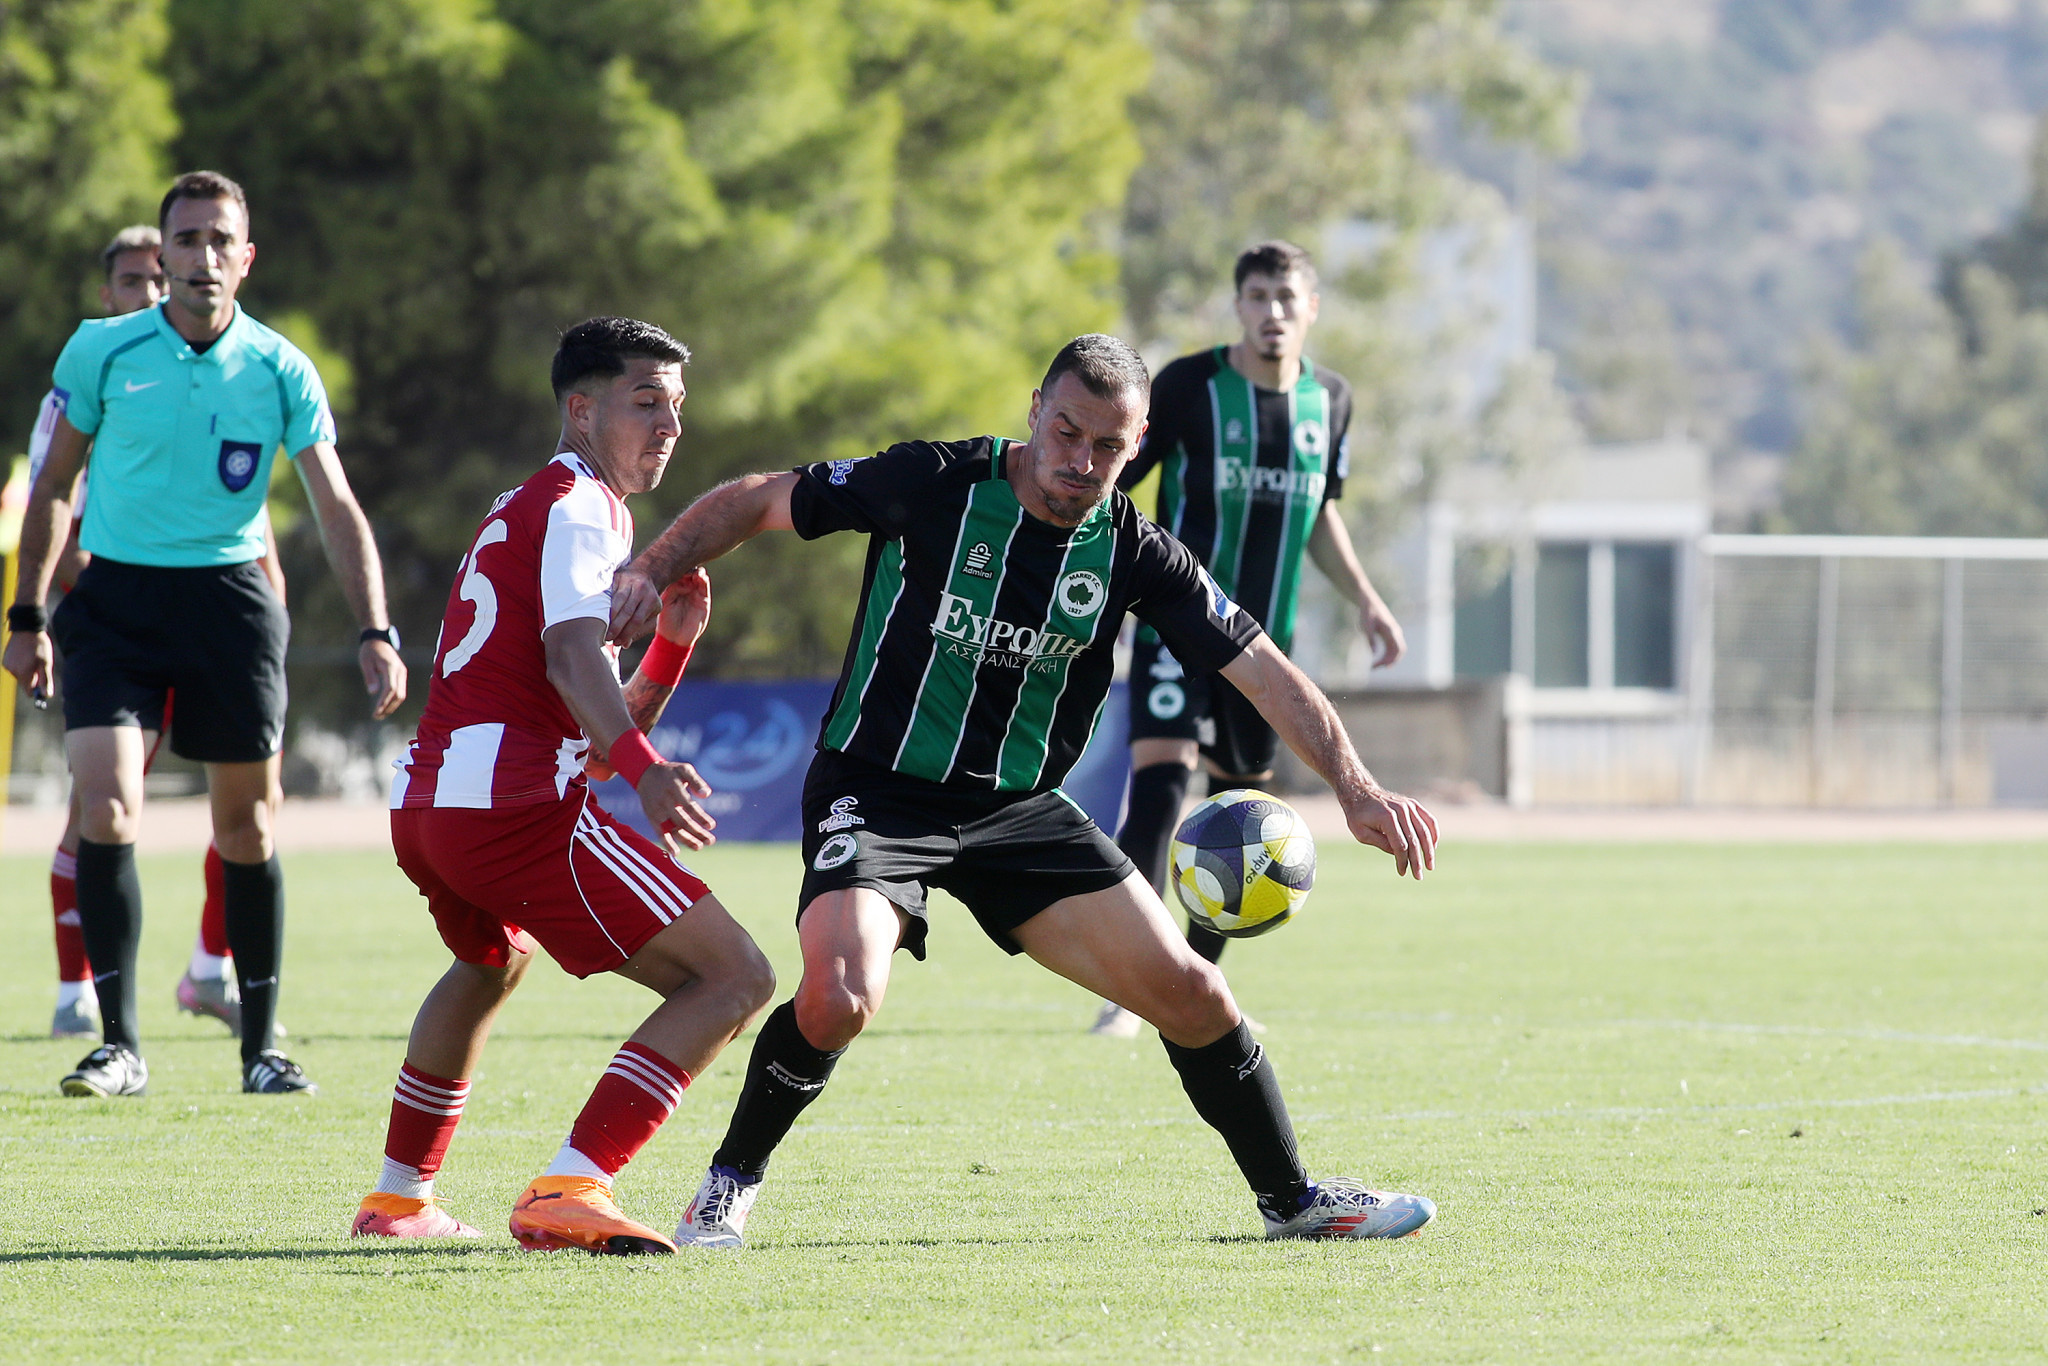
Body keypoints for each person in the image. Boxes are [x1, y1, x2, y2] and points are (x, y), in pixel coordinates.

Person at [608, 333, 1441, 1247]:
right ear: (1035, 409)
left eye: (1107, 446)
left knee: (1196, 994)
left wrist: (1356, 787)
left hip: (1018, 811)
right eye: (1067, 431)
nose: (1079, 461)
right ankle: (726, 1187)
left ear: (1137, 444)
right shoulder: (934, 482)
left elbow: (1261, 668)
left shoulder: (1136, 551)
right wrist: (650, 568)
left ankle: (1294, 1203)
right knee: (840, 996)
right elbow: (763, 498)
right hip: (879, 792)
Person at [351, 317, 773, 1253]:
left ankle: (398, 1201)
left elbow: (588, 719)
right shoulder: (584, 506)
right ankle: (572, 1186)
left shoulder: (531, 504)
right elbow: (572, 659)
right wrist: (649, 776)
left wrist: (671, 646)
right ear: (581, 411)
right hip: (512, 811)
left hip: (431, 808)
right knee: (736, 975)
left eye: (677, 406)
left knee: (490, 963)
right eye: (645, 402)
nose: (669, 426)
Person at [3, 171, 406, 1099]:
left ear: (246, 257)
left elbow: (336, 507)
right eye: (186, 240)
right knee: (106, 809)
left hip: (232, 605)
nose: (203, 257)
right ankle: (117, 1046)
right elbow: (53, 487)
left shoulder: (280, 368)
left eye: (221, 240)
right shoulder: (101, 350)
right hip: (113, 603)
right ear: (165, 254)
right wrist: (27, 617)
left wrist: (376, 628)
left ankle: (260, 1049)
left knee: (247, 826)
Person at [1091, 239, 1409, 1039]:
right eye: (1258, 296)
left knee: (1241, 817)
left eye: (1286, 297)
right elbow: (1112, 482)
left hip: (1264, 649)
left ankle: (1196, 986)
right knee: (1161, 785)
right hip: (1174, 624)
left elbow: (1320, 514)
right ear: (1237, 306)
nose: (1273, 311)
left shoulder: (1331, 401)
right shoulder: (1188, 387)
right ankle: (1130, 989)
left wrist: (1368, 599)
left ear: (1311, 309)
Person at [31, 224, 283, 1043]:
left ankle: (210, 970)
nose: (149, 291)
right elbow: (53, 508)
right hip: (118, 626)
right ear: (109, 294)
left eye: (154, 278)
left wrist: (267, 609)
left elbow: (243, 516)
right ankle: (79, 995)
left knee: (251, 809)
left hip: (216, 622)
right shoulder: (88, 380)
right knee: (100, 807)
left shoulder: (235, 372)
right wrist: (87, 606)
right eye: (133, 280)